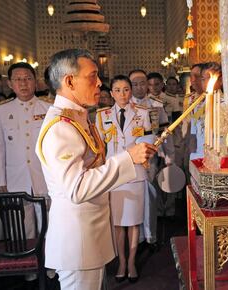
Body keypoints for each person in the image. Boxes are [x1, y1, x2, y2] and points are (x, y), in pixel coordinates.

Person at [36, 49, 156, 290]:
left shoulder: (77, 118)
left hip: (89, 236)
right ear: (69, 81)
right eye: (92, 76)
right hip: (78, 239)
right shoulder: (61, 126)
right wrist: (127, 158)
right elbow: (77, 188)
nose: (100, 82)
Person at [96, 75, 150, 283]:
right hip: (114, 174)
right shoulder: (101, 115)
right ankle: (121, 261)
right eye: (117, 90)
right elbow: (100, 149)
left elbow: (149, 140)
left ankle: (132, 262)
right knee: (118, 223)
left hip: (136, 172)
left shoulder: (143, 113)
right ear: (111, 93)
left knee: (134, 222)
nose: (122, 94)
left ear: (130, 91)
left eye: (126, 89)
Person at [0, 62, 51, 238]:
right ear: (10, 84)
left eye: (28, 78)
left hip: (44, 176)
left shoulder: (48, 108)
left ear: (35, 81)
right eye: (18, 79)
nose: (23, 83)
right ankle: (26, 263)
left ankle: (48, 263)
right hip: (15, 178)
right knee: (22, 227)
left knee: (47, 224)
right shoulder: (2, 110)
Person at [129, 69, 175, 246]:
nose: (139, 87)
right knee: (134, 198)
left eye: (142, 83)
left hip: (151, 157)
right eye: (135, 84)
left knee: (150, 196)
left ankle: (150, 236)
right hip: (131, 158)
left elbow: (165, 132)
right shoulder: (126, 106)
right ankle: (136, 236)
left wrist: (169, 156)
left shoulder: (156, 105)